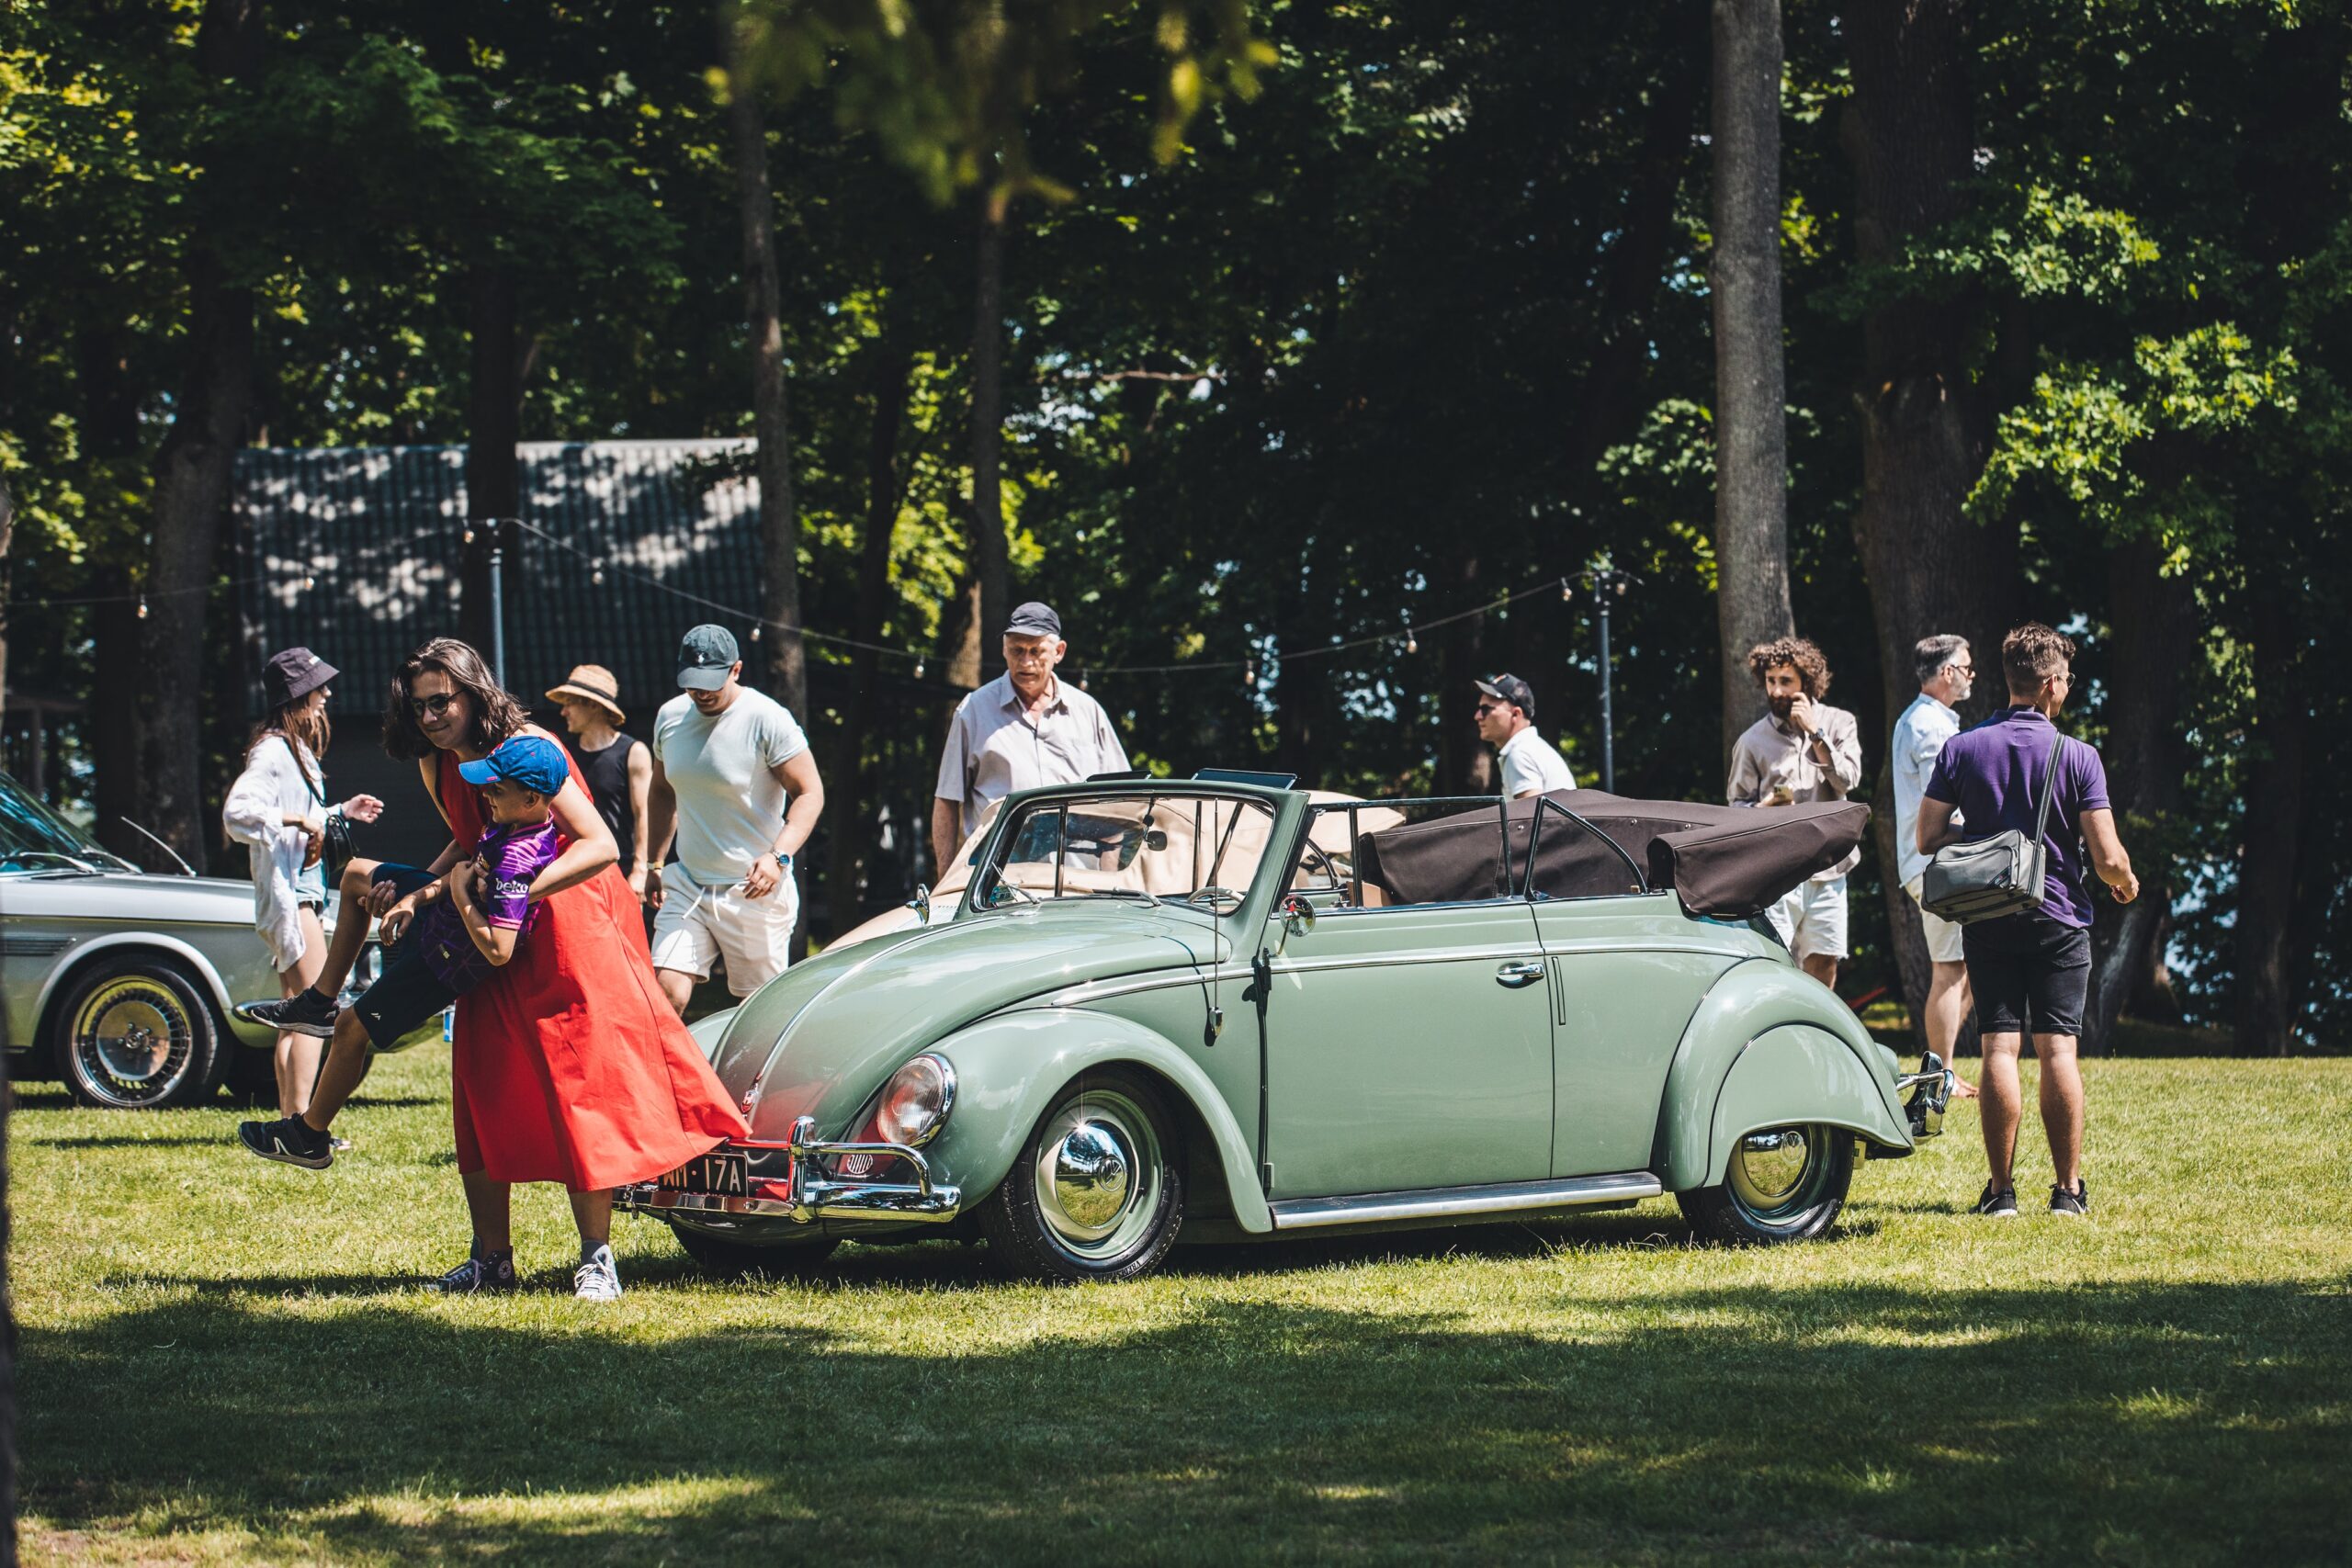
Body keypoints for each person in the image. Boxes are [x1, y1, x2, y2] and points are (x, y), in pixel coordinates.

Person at [241, 637, 749, 1299]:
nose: (428, 715)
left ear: (472, 691)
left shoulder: (528, 746)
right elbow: (472, 834)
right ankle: (491, 1260)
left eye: (440, 701)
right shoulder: (436, 761)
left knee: (578, 1095)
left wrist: (512, 893)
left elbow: (597, 842)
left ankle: (596, 1258)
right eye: (418, 704)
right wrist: (427, 889)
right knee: (480, 1092)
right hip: (481, 931)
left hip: (565, 935)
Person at [236, 734, 565, 1169]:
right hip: (443, 920)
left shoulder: (514, 864)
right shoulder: (509, 822)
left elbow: (499, 949)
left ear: (532, 797)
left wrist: (460, 892)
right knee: (356, 876)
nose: (486, 795)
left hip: (447, 960)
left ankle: (308, 1136)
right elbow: (460, 869)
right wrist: (415, 899)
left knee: (352, 1029)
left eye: (496, 790)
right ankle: (318, 1002)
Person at [1918, 623, 2138, 1221]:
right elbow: (2108, 856)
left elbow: (1928, 835)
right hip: (2059, 918)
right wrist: (2125, 882)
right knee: (2058, 1050)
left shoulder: (1962, 748)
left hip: (1989, 915)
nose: (2066, 689)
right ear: (2048, 685)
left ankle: (2000, 1192)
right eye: (2064, 680)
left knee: (1997, 1048)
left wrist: (1992, 839)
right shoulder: (2078, 755)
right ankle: (2067, 1192)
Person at [220, 647, 384, 1121]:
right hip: (296, 898)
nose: (327, 694)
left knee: (296, 1012)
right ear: (297, 695)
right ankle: (303, 1124)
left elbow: (299, 823)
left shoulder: (295, 751)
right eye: (318, 687)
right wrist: (301, 819)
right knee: (315, 1012)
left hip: (300, 893)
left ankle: (292, 1117)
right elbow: (238, 815)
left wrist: (337, 813)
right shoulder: (273, 751)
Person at [643, 626, 825, 1012]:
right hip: (689, 884)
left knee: (758, 1012)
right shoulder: (670, 718)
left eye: (712, 682)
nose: (702, 692)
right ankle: (672, 1075)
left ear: (736, 670)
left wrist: (779, 857)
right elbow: (661, 791)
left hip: (752, 891)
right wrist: (654, 862)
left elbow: (810, 793)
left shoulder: (767, 719)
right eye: (692, 683)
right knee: (665, 992)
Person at [932, 602, 1130, 874]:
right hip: (996, 884)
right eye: (1017, 651)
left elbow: (1123, 801)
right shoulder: (974, 710)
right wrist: (944, 882)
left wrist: (1111, 880)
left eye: (1036, 651)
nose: (1025, 662)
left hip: (1080, 884)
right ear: (1004, 649)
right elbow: (946, 799)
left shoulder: (1088, 711)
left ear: (1059, 652)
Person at [1727, 636, 1863, 989]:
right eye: (1771, 681)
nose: (1776, 691)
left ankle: (1814, 1038)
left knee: (1824, 959)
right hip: (1779, 871)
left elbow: (1848, 779)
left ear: (1808, 682)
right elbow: (1735, 810)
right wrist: (1765, 807)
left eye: (1785, 681)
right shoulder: (1752, 742)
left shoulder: (1839, 723)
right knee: (1776, 959)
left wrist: (1815, 732)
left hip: (1830, 867)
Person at [1891, 634, 1979, 1100]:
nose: (1971, 675)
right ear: (1947, 672)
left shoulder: (1930, 720)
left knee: (1964, 966)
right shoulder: (1927, 725)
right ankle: (1938, 1078)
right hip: (1935, 861)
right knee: (1949, 968)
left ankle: (1943, 1071)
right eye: (1966, 667)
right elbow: (1940, 800)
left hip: (1935, 860)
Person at [547, 663, 650, 897]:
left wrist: (640, 869)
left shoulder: (633, 752)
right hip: (573, 870)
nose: (563, 712)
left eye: (569, 703)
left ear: (592, 705)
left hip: (619, 869)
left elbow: (644, 814)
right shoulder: (565, 753)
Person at [1473, 673, 1575, 798]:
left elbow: (1530, 816)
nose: (1477, 716)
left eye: (1485, 709)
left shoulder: (1520, 755)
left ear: (1515, 714)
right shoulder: (1534, 748)